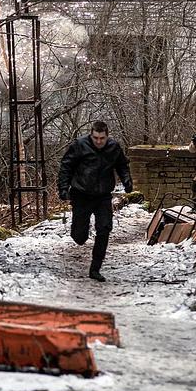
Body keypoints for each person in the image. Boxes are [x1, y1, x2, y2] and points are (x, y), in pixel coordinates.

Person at [58, 120, 133, 282]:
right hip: (81, 194)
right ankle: (78, 230)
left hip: (103, 195)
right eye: (95, 138)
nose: (99, 141)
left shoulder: (114, 147)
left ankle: (95, 268)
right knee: (80, 237)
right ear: (91, 135)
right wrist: (63, 188)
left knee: (104, 229)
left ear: (107, 136)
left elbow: (122, 165)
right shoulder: (80, 145)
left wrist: (127, 180)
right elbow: (66, 166)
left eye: (102, 138)